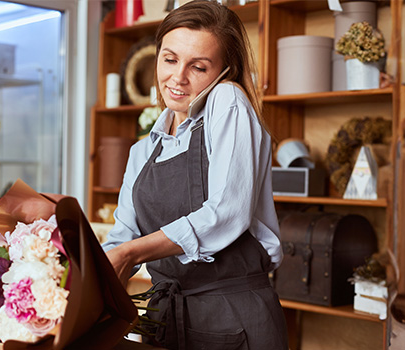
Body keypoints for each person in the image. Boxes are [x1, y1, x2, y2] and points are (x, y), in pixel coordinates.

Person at [101, 1, 288, 349]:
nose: (178, 78)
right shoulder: (142, 151)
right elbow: (121, 238)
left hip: (233, 319)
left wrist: (130, 254)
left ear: (223, 71)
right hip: (165, 321)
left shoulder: (227, 101)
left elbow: (226, 212)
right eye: (170, 59)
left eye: (198, 67)